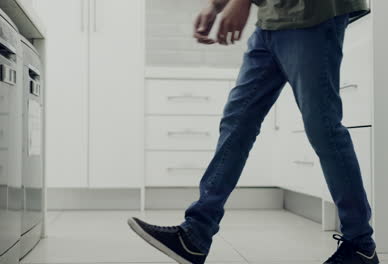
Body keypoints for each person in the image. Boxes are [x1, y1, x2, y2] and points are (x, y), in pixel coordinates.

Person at [128, 0, 379, 263]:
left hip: (311, 14)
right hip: (271, 19)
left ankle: (360, 244)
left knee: (324, 130)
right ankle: (196, 233)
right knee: (237, 123)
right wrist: (216, 6)